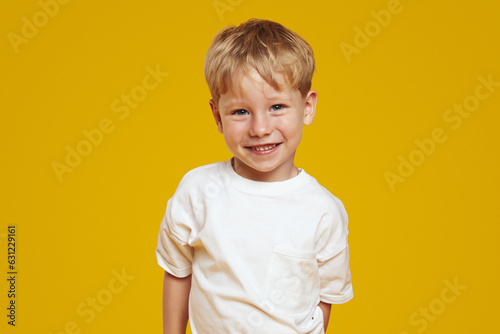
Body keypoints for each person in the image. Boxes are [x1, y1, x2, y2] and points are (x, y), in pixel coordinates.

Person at [156, 18, 353, 334]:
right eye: (240, 112)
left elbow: (325, 298)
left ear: (307, 107)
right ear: (217, 116)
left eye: (277, 106)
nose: (260, 128)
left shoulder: (323, 211)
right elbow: (178, 271)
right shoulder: (197, 191)